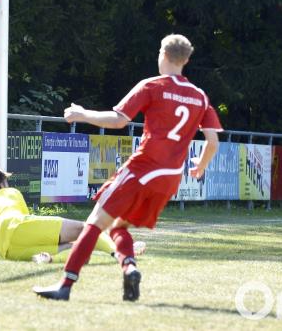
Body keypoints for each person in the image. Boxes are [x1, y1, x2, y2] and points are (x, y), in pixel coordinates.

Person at [32, 33, 222, 301]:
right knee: (118, 227)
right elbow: (212, 141)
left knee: (94, 223)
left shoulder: (152, 86)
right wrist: (200, 166)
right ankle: (129, 267)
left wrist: (82, 114)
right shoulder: (200, 96)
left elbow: (119, 120)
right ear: (186, 60)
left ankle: (64, 286)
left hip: (142, 169)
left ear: (163, 55)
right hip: (169, 179)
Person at [0, 168, 134, 262]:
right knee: (84, 229)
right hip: (19, 229)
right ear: (2, 184)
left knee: (73, 247)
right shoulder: (10, 192)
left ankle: (46, 258)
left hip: (10, 253)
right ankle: (119, 252)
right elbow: (27, 221)